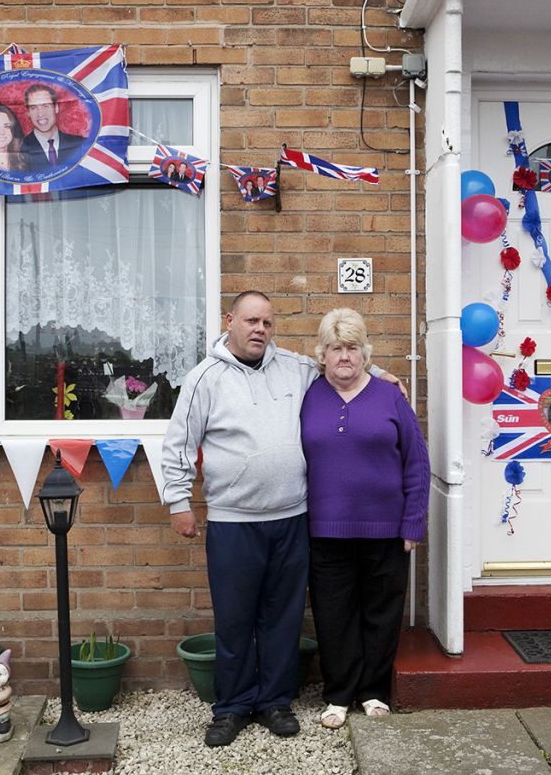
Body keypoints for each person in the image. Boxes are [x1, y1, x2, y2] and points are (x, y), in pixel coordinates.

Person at [160, 291, 402, 748]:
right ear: (230, 321)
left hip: (292, 518)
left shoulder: (294, 366)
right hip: (233, 522)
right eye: (251, 321)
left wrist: (381, 374)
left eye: (268, 323)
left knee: (283, 618)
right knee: (234, 620)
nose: (260, 330)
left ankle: (274, 701)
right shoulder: (203, 378)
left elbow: (344, 367)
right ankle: (231, 707)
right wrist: (178, 502)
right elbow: (176, 444)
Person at [300, 308, 428, 729]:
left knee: (381, 612)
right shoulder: (307, 394)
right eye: (335, 348)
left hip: (385, 531)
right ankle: (338, 694)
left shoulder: (391, 395)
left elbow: (417, 463)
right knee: (333, 615)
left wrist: (413, 524)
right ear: (322, 354)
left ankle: (372, 690)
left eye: (352, 348)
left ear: (365, 353)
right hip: (325, 532)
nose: (344, 357)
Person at [20, 83, 84, 171]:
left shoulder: (81, 144)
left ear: (56, 108)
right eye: (33, 108)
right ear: (28, 113)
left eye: (45, 106)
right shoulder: (18, 151)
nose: (40, 114)